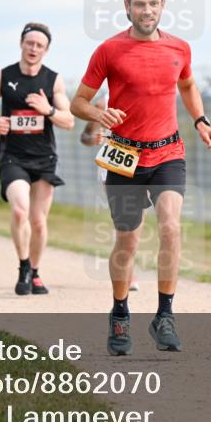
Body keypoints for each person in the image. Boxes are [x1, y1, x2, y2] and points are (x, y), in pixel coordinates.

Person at [71, 0, 211, 356]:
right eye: (140, 4)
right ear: (127, 8)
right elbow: (79, 102)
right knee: (128, 239)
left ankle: (164, 315)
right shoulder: (109, 50)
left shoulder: (180, 49)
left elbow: (187, 85)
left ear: (163, 6)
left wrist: (200, 120)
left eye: (153, 4)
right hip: (123, 156)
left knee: (171, 226)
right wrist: (98, 115)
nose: (147, 10)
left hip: (168, 151)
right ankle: (120, 313)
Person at [0, 23, 75, 295]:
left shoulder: (53, 80)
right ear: (21, 44)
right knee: (20, 210)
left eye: (39, 45)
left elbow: (69, 121)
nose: (33, 49)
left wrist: (48, 109)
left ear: (46, 50)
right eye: (29, 43)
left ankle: (35, 271)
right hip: (13, 156)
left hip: (44, 158)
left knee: (39, 221)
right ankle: (23, 266)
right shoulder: (3, 76)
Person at [80, 94, 139, 292]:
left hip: (143, 161)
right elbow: (85, 137)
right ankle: (128, 273)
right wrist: (95, 137)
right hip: (114, 163)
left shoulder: (145, 95)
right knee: (124, 221)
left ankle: (128, 268)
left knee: (136, 221)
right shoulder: (101, 102)